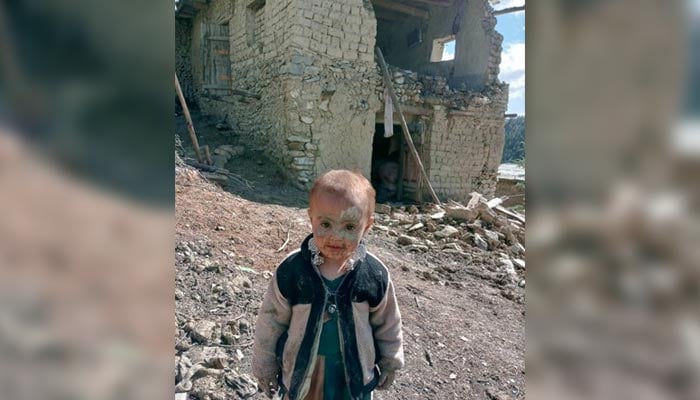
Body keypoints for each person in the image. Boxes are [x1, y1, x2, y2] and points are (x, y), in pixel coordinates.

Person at [252, 169, 404, 400]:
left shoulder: (374, 274)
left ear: (368, 226)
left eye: (350, 227)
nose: (336, 236)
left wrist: (391, 361)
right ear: (311, 217)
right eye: (325, 224)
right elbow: (271, 319)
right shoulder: (293, 270)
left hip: (351, 375)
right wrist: (265, 365)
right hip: (303, 374)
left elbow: (388, 321)